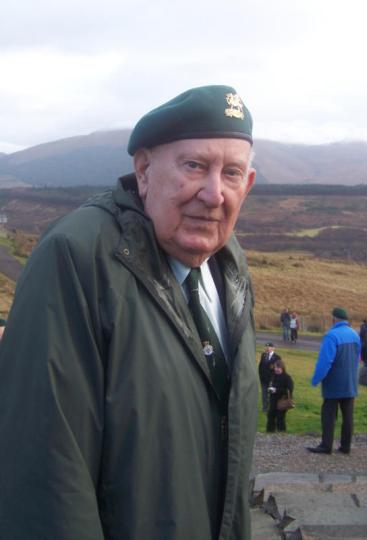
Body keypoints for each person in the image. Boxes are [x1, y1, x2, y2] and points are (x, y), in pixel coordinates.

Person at [0, 85, 258, 540]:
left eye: (231, 172)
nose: (214, 194)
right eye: (194, 166)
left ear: (248, 184)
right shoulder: (76, 258)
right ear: (143, 170)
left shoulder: (229, 261)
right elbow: (46, 474)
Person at [308, 307, 361, 455]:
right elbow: (358, 357)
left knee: (329, 414)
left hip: (334, 381)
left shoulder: (331, 336)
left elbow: (325, 361)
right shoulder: (355, 335)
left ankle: (326, 445)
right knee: (348, 415)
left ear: (334, 319)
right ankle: (346, 446)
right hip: (350, 381)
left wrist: (316, 378)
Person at [266, 359, 294, 432]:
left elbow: (289, 390)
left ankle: (281, 433)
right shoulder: (273, 376)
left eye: (278, 368)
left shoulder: (287, 378)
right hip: (273, 399)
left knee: (280, 417)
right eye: (275, 367)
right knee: (270, 415)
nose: (276, 369)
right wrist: (270, 389)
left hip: (282, 400)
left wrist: (277, 390)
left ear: (282, 368)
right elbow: (271, 384)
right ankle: (270, 432)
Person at [258, 342, 281, 412]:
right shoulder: (263, 355)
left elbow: (278, 369)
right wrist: (260, 375)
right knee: (264, 394)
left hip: (272, 379)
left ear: (273, 348)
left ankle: (272, 408)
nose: (267, 348)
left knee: (271, 395)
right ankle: (265, 408)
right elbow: (260, 366)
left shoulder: (277, 357)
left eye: (269, 347)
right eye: (267, 347)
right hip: (263, 379)